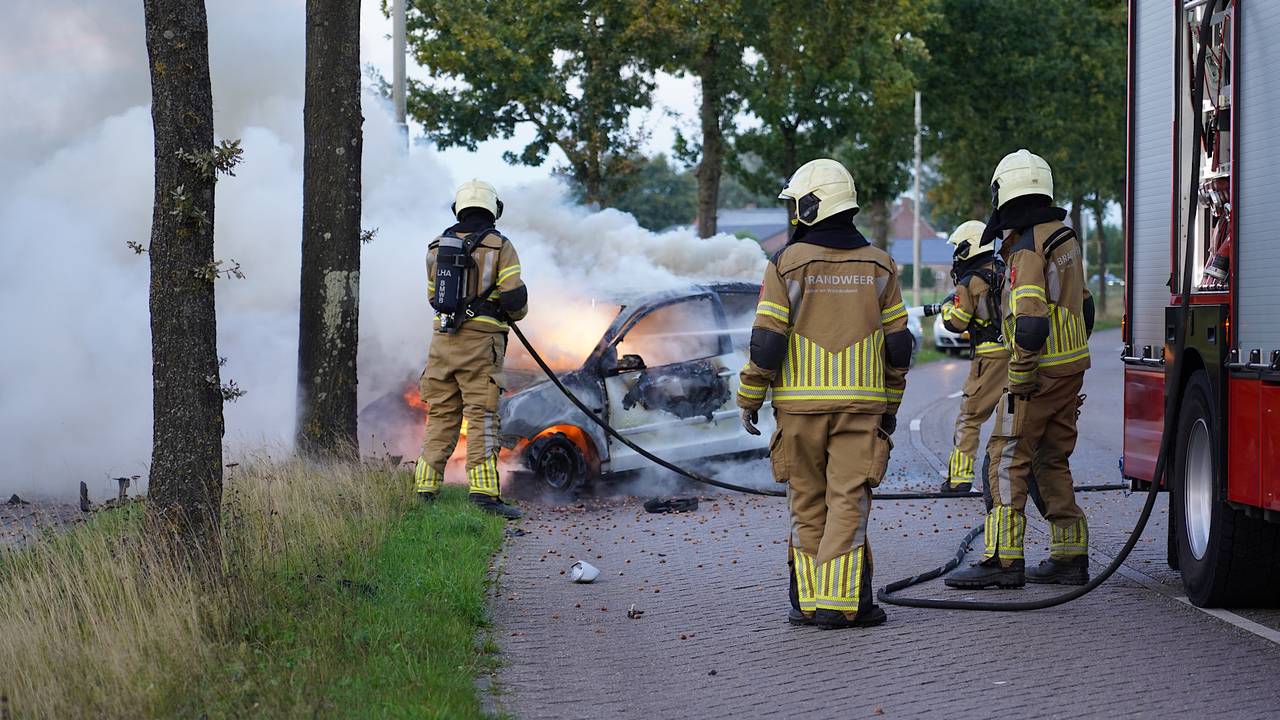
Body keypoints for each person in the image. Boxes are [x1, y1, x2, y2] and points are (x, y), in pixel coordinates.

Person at [738, 158, 913, 629]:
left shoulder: (786, 263)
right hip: (861, 408)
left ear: (811, 207)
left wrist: (749, 397)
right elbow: (899, 346)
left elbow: (767, 342)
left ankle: (809, 602)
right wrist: (891, 405)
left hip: (798, 412)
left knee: (806, 501)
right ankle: (842, 602)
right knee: (848, 500)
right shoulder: (880, 265)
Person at [946, 150, 1091, 589]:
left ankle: (1003, 560)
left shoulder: (1026, 249)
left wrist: (1022, 376)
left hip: (1037, 373)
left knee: (1004, 458)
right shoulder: (1064, 238)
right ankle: (1069, 555)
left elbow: (1029, 323)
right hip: (1069, 370)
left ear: (1004, 193)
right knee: (1051, 459)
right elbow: (1083, 306)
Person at [413, 180, 528, 519]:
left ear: (459, 208)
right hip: (481, 344)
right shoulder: (500, 246)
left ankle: (424, 489)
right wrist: (512, 312)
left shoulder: (436, 246)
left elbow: (434, 297)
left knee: (441, 415)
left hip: (442, 343)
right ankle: (484, 495)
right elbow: (513, 298)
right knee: (482, 416)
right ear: (494, 209)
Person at [934, 220, 1008, 494]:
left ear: (968, 247)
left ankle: (959, 478)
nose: (956, 255)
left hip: (988, 360)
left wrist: (946, 309)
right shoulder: (1004, 271)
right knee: (1013, 419)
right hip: (1016, 354)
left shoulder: (969, 283)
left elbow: (958, 322)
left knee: (969, 417)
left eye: (958, 249)